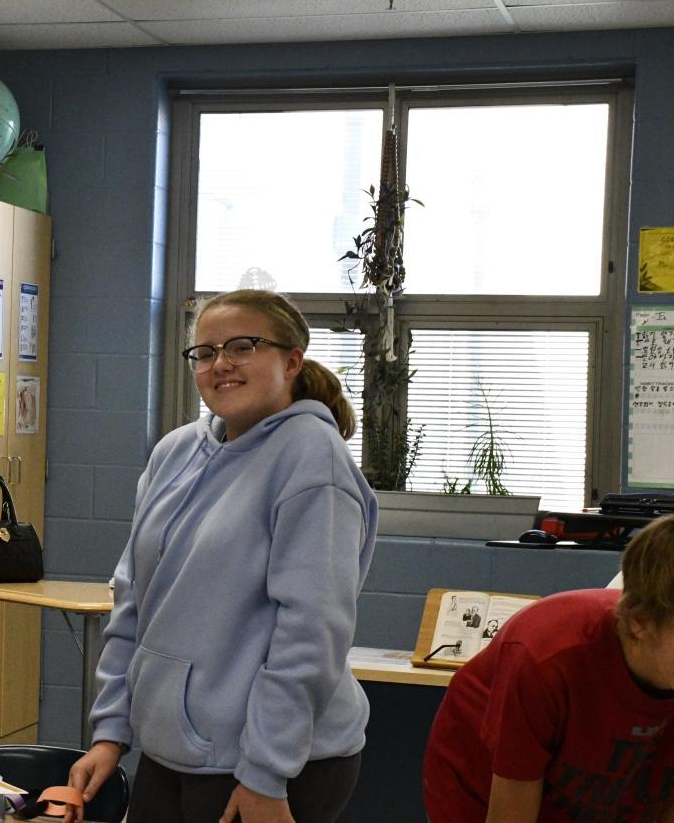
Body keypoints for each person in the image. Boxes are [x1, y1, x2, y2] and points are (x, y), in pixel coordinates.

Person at [67, 289, 377, 823]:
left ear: (292, 361)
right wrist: (111, 731)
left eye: (242, 347)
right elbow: (133, 599)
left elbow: (311, 630)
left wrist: (266, 772)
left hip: (275, 763)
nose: (221, 364)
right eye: (205, 352)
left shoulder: (312, 457)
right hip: (174, 749)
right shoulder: (175, 452)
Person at [423, 513, 674, 822]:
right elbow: (511, 816)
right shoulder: (547, 657)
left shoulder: (663, 657)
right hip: (482, 784)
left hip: (598, 784)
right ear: (640, 622)